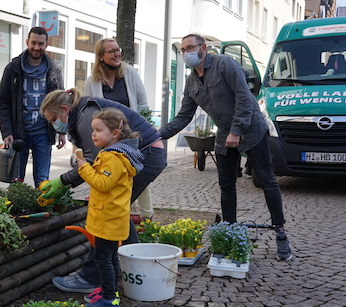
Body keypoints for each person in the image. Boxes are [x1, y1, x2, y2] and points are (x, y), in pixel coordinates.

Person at [159, 33, 293, 260]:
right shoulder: (192, 82)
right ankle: (230, 231)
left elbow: (243, 97)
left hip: (251, 127)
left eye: (190, 47)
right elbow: (183, 116)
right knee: (226, 185)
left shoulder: (225, 64)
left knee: (266, 179)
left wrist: (236, 130)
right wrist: (158, 134)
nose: (186, 53)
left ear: (203, 48)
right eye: (183, 50)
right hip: (224, 133)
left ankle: (280, 232)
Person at [39, 88, 167, 293]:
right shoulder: (82, 112)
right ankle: (133, 270)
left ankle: (91, 278)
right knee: (119, 214)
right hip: (150, 150)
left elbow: (91, 162)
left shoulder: (85, 117)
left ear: (64, 110)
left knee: (109, 213)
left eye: (54, 118)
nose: (54, 124)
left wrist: (63, 181)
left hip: (148, 153)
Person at [76, 108, 143, 307]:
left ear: (114, 133)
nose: (93, 134)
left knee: (103, 258)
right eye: (93, 130)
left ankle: (109, 299)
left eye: (98, 130)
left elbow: (103, 184)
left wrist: (83, 167)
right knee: (111, 256)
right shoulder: (114, 155)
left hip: (108, 218)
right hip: (112, 216)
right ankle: (109, 290)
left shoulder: (113, 157)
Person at [83, 38, 154, 221]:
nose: (117, 54)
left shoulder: (129, 73)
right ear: (101, 57)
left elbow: (143, 102)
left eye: (118, 49)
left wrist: (144, 127)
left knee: (136, 171)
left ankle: (147, 216)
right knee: (112, 176)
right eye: (112, 51)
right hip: (109, 137)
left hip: (130, 133)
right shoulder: (92, 81)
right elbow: (90, 108)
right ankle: (118, 214)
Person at [0, 27, 65, 187]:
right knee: (16, 181)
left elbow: (60, 103)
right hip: (19, 134)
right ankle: (16, 212)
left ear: (47, 44)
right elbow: (3, 102)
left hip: (43, 133)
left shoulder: (54, 70)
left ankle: (42, 209)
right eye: (33, 43)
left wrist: (62, 130)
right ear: (27, 42)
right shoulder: (13, 68)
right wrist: (7, 131)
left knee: (42, 181)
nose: (36, 47)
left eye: (41, 44)